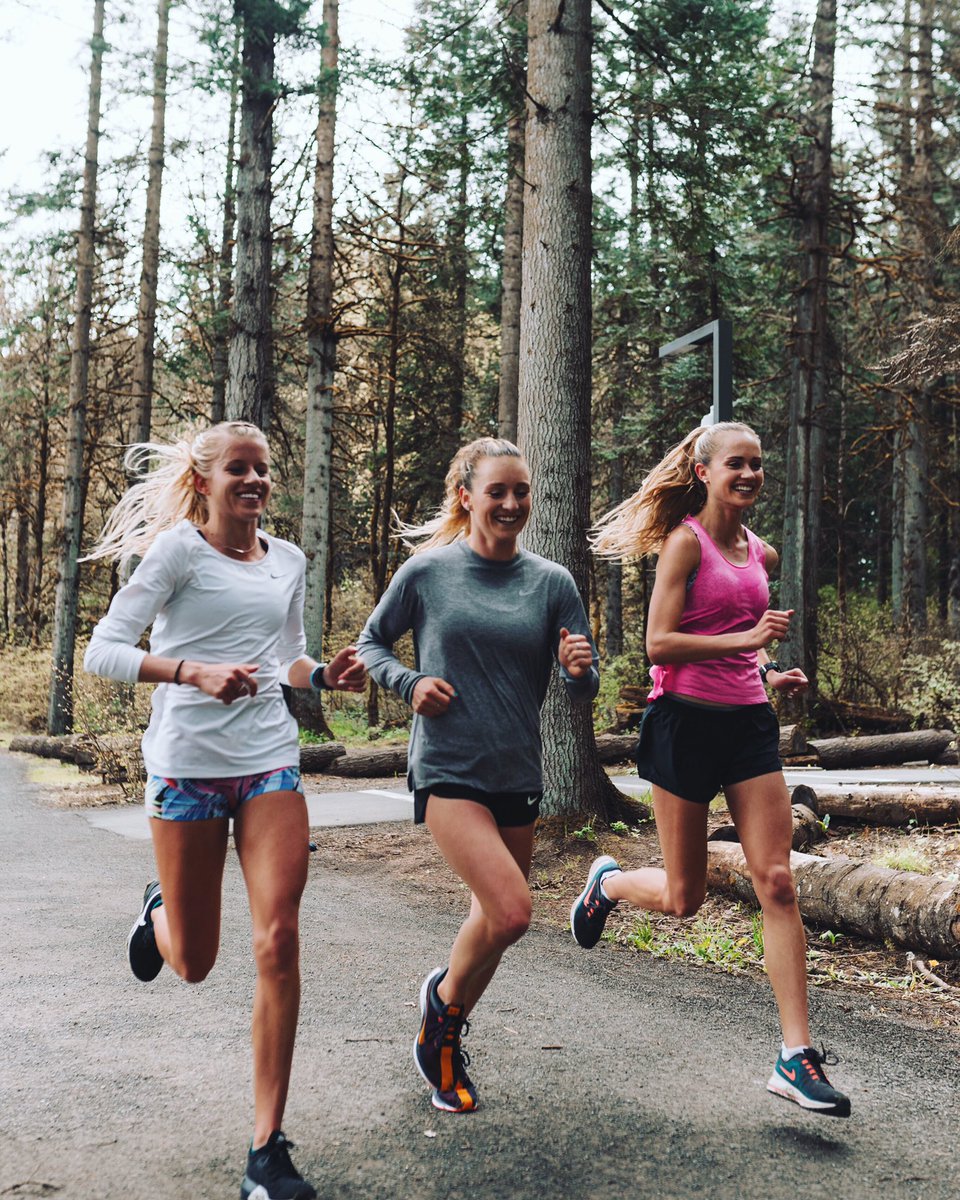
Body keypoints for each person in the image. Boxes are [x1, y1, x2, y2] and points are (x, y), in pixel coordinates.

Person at [83, 420, 366, 1200]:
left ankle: (266, 1150)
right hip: (186, 772)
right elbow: (102, 650)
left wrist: (324, 678)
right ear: (205, 482)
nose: (253, 482)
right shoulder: (176, 552)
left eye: (263, 470)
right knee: (198, 962)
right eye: (238, 470)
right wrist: (190, 672)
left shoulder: (289, 561)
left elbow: (287, 657)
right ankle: (159, 915)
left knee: (278, 938)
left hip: (269, 762)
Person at [570, 421, 850, 1119]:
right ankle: (608, 882)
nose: (750, 474)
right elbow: (658, 643)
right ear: (703, 472)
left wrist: (765, 669)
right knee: (684, 896)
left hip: (749, 726)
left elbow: (736, 644)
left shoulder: (760, 550)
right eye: (737, 464)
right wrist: (748, 638)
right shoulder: (684, 543)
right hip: (683, 727)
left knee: (777, 880)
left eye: (757, 463)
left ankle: (795, 1055)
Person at [356, 437, 599, 1114]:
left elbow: (585, 686)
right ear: (466, 497)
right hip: (447, 767)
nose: (512, 503)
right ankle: (442, 1016)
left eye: (521, 491)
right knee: (513, 912)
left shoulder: (553, 583)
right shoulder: (428, 574)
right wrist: (408, 684)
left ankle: (446, 1030)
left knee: (491, 921)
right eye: (497, 491)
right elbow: (370, 643)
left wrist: (579, 671)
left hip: (515, 769)